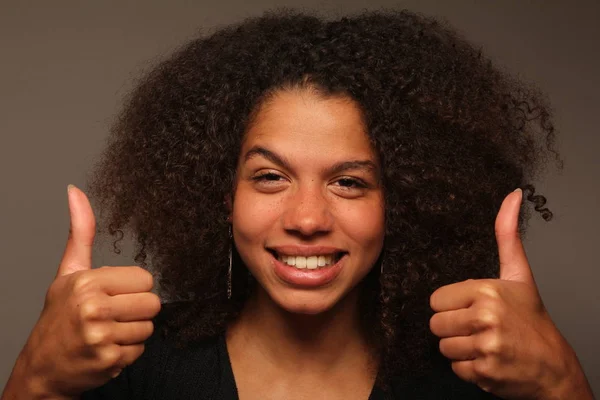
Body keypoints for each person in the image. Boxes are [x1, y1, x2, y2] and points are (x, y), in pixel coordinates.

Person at [1, 9, 594, 400]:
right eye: (269, 177)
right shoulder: (129, 368)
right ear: (220, 194)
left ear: (405, 202)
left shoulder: (476, 375)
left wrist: (562, 383)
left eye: (350, 183)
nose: (307, 219)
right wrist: (35, 380)